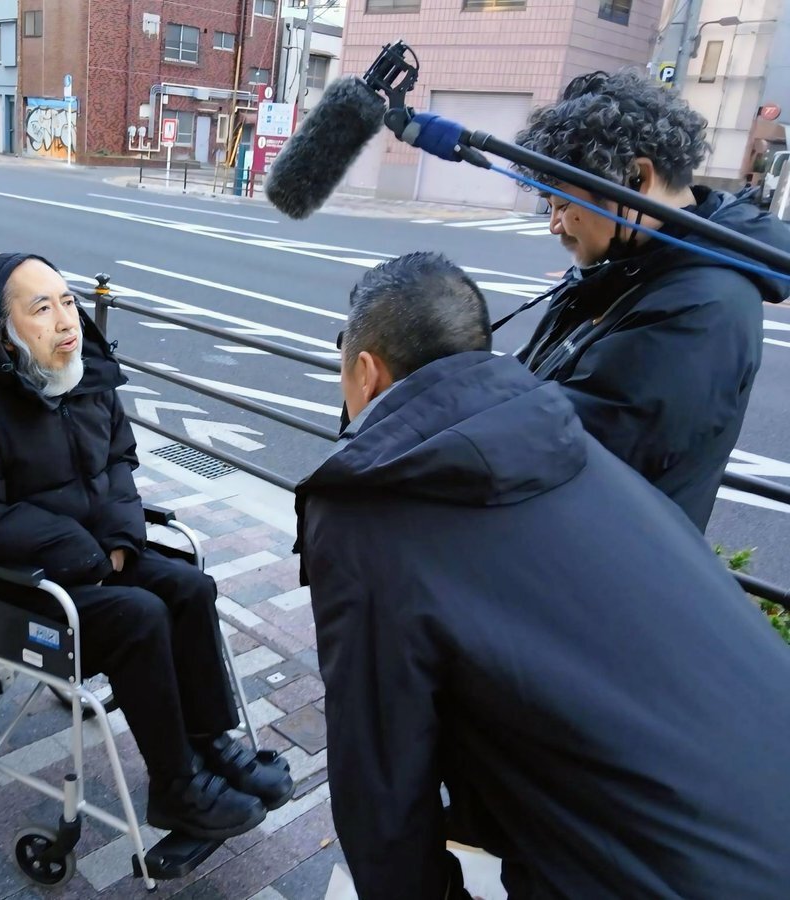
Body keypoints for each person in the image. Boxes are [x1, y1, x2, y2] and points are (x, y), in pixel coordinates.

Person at [297, 252, 790, 899]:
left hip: (647, 870)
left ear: (366, 372)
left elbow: (381, 784)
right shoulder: (560, 437)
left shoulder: (374, 509)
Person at [0, 252, 294, 839]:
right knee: (139, 616)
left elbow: (118, 466)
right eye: (41, 307)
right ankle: (176, 787)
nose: (66, 320)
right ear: (1, 333)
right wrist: (81, 552)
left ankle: (210, 744)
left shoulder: (87, 383)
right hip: (21, 586)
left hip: (93, 560)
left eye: (68, 301)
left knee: (190, 586)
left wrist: (115, 541)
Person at [513, 69, 790, 532]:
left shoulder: (704, 309)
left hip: (603, 578)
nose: (555, 226)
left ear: (635, 178)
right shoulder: (631, 267)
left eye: (562, 204)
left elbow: (563, 453)